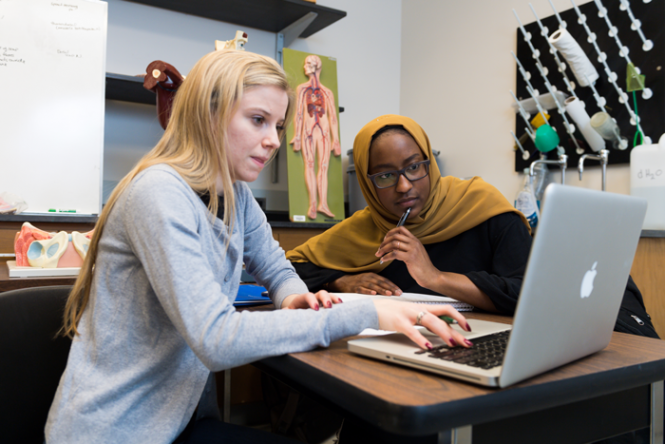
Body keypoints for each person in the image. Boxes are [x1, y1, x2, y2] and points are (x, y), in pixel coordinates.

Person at [44, 52, 472, 444]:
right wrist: (364, 311)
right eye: (257, 120)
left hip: (177, 422)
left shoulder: (235, 193)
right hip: (116, 431)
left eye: (279, 126)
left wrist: (292, 296)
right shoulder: (158, 194)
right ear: (208, 114)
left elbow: (276, 266)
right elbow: (217, 338)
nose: (273, 140)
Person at [287, 115, 660, 337]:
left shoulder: (482, 206)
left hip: (491, 347)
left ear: (429, 164)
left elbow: (526, 294)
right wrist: (342, 281)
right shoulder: (366, 227)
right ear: (367, 183)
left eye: (414, 167)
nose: (404, 186)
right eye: (385, 176)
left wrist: (433, 276)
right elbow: (293, 265)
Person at [289, 54, 341, 220]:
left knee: (324, 166)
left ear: (316, 66)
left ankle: (323, 204)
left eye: (308, 64)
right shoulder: (302, 89)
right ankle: (312, 204)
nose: (305, 67)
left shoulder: (327, 92)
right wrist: (297, 136)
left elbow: (333, 115)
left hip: (324, 131)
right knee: (310, 165)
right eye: (304, 64)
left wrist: (336, 140)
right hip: (308, 130)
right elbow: (298, 113)